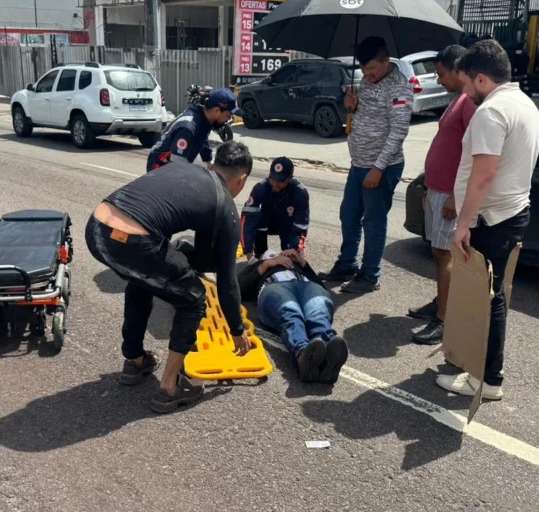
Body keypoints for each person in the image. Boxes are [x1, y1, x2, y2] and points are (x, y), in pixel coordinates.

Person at [87, 141, 254, 414]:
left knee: (143, 278)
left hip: (97, 226)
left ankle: (135, 359)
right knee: (193, 298)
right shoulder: (224, 205)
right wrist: (237, 330)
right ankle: (169, 387)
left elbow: (199, 253)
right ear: (242, 179)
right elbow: (226, 280)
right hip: (133, 243)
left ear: (212, 164)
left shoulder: (184, 169)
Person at [435, 40, 539, 401]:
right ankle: (476, 367)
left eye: (466, 83)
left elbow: (483, 175)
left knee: (488, 298)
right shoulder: (524, 104)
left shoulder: (491, 112)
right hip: (513, 212)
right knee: (493, 296)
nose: (463, 91)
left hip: (492, 218)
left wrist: (464, 223)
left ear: (481, 79)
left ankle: (488, 379)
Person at [319, 36, 413, 293]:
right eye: (363, 69)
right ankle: (347, 263)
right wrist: (351, 106)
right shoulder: (364, 81)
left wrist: (378, 168)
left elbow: (398, 132)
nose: (367, 74)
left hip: (382, 167)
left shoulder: (399, 88)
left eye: (372, 68)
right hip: (358, 163)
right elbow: (359, 114)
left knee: (373, 221)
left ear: (386, 61)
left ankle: (370, 275)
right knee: (349, 215)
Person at [409, 45, 477, 346]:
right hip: (438, 190)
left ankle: (445, 320)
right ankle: (440, 302)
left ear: (456, 69)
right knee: (438, 253)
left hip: (450, 194)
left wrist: (453, 196)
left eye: (440, 74)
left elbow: (474, 154)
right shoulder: (457, 101)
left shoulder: (469, 104)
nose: (439, 80)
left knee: (446, 255)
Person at [238, 249, 348, 384]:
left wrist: (303, 263)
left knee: (318, 313)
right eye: (271, 255)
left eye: (279, 253)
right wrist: (266, 264)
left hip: (306, 284)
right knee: (290, 313)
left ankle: (328, 352)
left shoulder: (298, 266)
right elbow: (238, 287)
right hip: (274, 285)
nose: (278, 256)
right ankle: (302, 354)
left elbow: (320, 286)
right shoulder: (260, 265)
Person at [145, 88, 242, 172]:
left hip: (176, 165)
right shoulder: (188, 128)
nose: (227, 120)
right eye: (228, 116)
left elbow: (202, 139)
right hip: (159, 166)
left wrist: (209, 162)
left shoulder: (205, 119)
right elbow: (176, 164)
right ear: (216, 111)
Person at [240, 157, 310, 260]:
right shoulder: (260, 188)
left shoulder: (300, 192)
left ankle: (295, 250)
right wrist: (248, 253)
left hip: (288, 225)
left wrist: (294, 248)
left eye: (280, 181)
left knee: (293, 259)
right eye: (273, 179)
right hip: (266, 223)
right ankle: (260, 252)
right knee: (257, 219)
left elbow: (301, 224)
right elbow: (247, 220)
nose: (275, 184)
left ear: (289, 179)